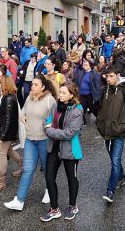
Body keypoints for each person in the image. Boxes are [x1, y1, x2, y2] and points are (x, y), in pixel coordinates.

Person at [4, 75, 57, 211]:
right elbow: (22, 112)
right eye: (32, 84)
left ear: (43, 87)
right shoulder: (29, 98)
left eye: (35, 84)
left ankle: (48, 190)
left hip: (44, 140)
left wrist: (48, 126)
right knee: (27, 170)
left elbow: (56, 120)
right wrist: (23, 118)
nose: (32, 86)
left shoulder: (49, 100)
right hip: (30, 140)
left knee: (47, 169)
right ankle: (19, 200)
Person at [40, 83, 84, 222]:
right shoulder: (55, 106)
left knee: (71, 178)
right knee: (49, 177)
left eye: (64, 93)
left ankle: (72, 206)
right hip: (54, 146)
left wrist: (50, 131)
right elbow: (45, 122)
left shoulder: (77, 111)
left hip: (70, 150)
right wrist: (49, 128)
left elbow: (69, 133)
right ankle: (54, 209)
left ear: (72, 95)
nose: (60, 95)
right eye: (60, 92)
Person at [96, 65, 125, 203]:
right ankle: (121, 176)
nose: (108, 79)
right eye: (107, 76)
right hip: (106, 131)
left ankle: (110, 190)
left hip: (118, 133)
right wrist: (99, 124)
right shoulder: (104, 90)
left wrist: (123, 127)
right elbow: (100, 109)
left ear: (118, 75)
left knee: (115, 162)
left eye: (111, 76)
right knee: (115, 160)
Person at [0, 75, 23, 194]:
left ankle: (1, 182)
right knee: (9, 151)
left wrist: (2, 137)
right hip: (7, 131)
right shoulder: (7, 96)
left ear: (5, 84)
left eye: (0, 81)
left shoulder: (9, 98)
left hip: (7, 132)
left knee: (1, 153)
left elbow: (8, 120)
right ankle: (23, 166)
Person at [74, 59, 101, 125]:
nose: (84, 66)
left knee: (93, 109)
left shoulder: (94, 74)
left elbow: (97, 86)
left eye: (86, 65)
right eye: (84, 64)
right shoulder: (81, 73)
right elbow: (76, 82)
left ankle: (100, 119)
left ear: (90, 66)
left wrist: (97, 97)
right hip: (82, 95)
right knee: (82, 109)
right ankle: (83, 122)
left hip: (90, 95)